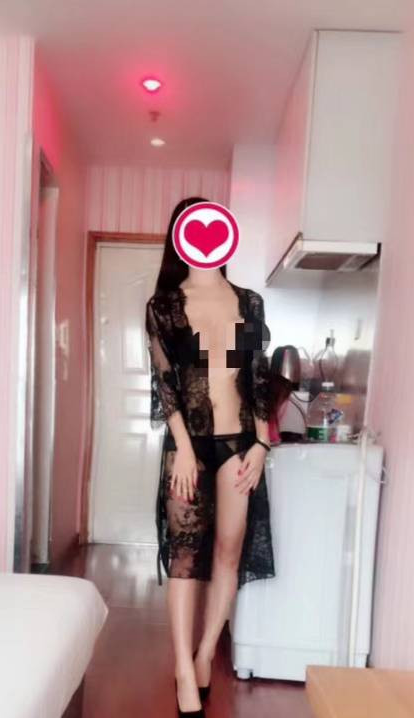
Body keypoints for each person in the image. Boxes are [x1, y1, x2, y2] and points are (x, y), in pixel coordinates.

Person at [144, 197, 276, 717]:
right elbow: (165, 383)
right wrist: (180, 447)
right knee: (184, 556)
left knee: (228, 551)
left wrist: (262, 444)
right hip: (190, 445)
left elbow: (259, 377)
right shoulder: (165, 305)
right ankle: (182, 666)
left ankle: (203, 655)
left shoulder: (250, 302)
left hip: (240, 443)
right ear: (182, 239)